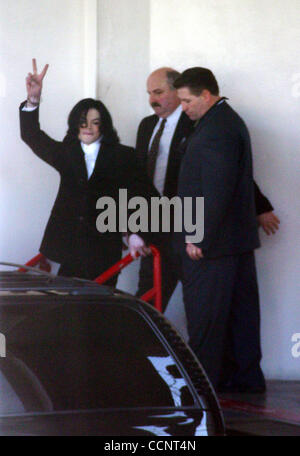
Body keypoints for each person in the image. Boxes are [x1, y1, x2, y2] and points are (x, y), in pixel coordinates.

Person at [135, 67, 279, 312]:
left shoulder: (198, 121)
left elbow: (225, 172)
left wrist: (260, 206)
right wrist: (133, 228)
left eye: (158, 92)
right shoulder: (146, 126)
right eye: (149, 93)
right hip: (154, 228)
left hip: (187, 229)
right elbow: (137, 178)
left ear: (177, 91)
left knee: (202, 307)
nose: (152, 99)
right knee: (147, 306)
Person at [173, 67, 266, 391]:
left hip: (214, 246)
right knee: (240, 319)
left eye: (187, 101)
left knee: (206, 321)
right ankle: (244, 384)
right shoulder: (225, 122)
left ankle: (203, 391)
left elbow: (217, 188)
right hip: (233, 243)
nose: (183, 107)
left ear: (207, 95)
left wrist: (198, 235)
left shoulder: (216, 129)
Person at [20, 59, 153, 285]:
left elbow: (141, 195)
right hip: (66, 247)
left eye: (95, 122)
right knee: (66, 307)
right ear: (75, 124)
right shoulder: (66, 153)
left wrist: (134, 233)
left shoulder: (123, 155)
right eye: (83, 122)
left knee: (98, 308)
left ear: (104, 125)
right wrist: (33, 99)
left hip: (104, 247)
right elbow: (32, 135)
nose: (88, 128)